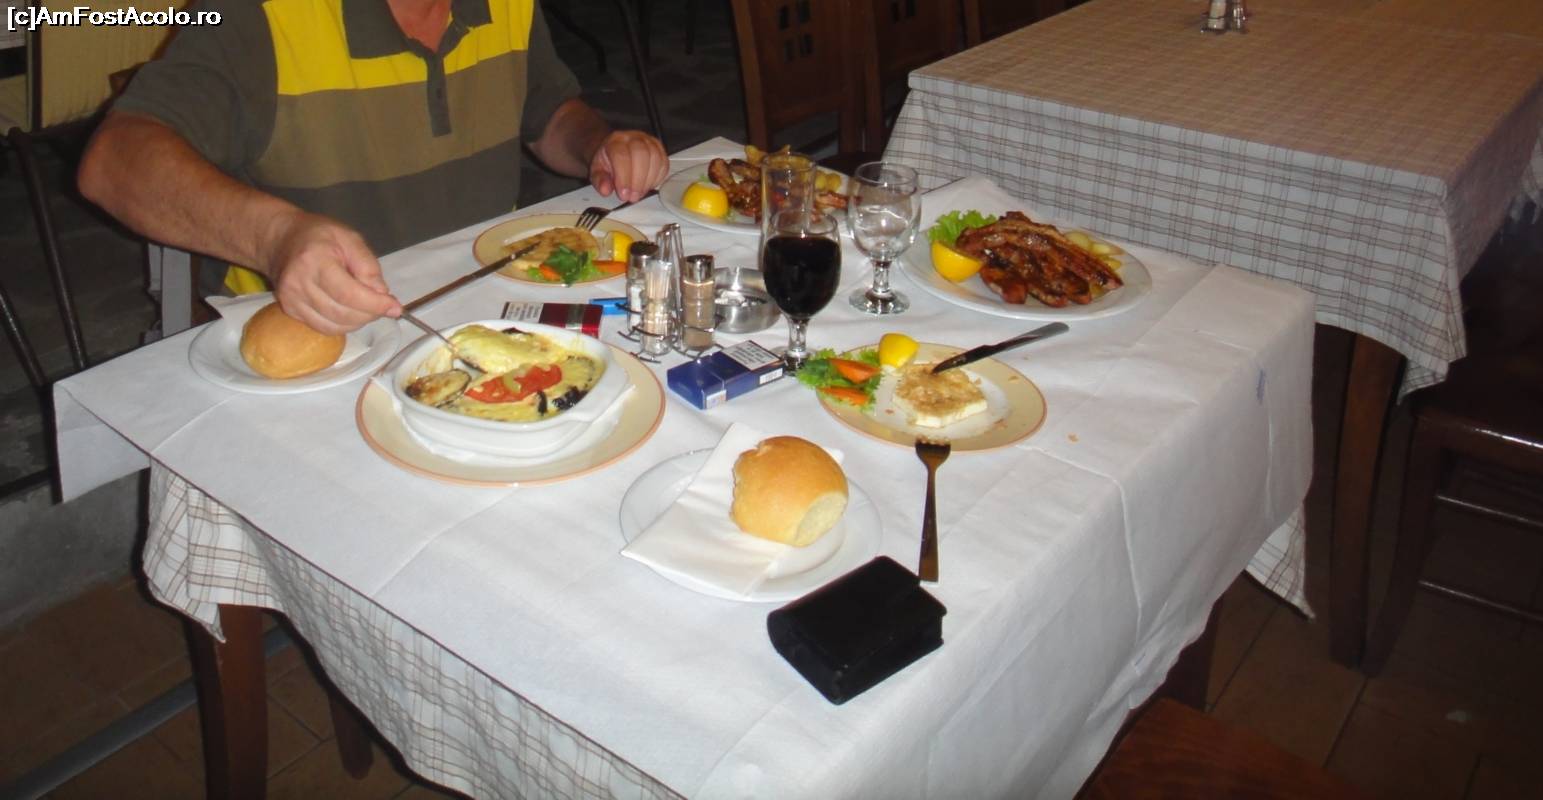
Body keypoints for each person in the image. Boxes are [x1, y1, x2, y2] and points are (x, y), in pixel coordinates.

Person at [78, 0, 669, 335]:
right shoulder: (259, 16)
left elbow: (545, 109)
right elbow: (112, 161)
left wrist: (596, 144)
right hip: (319, 332)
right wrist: (276, 237)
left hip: (488, 311)